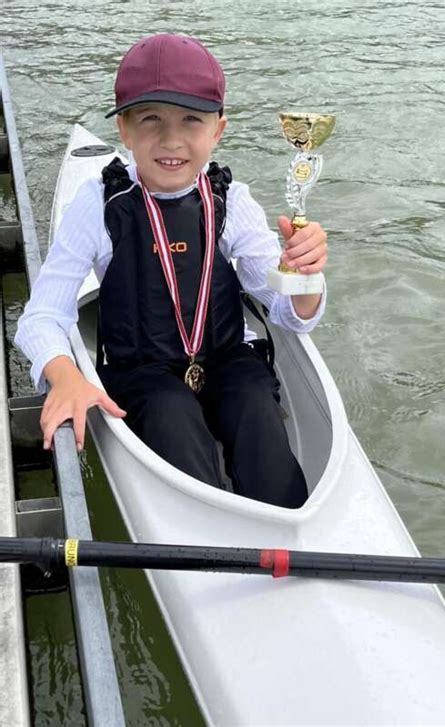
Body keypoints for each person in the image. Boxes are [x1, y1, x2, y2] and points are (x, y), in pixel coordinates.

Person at [15, 33, 328, 509]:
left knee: (257, 412)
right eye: (151, 119)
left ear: (217, 130)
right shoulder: (99, 205)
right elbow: (41, 317)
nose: (171, 140)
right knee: (171, 412)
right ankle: (206, 533)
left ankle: (289, 524)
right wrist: (64, 375)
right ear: (124, 129)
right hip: (143, 372)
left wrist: (305, 275)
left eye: (191, 120)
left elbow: (287, 312)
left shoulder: (233, 201)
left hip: (226, 357)